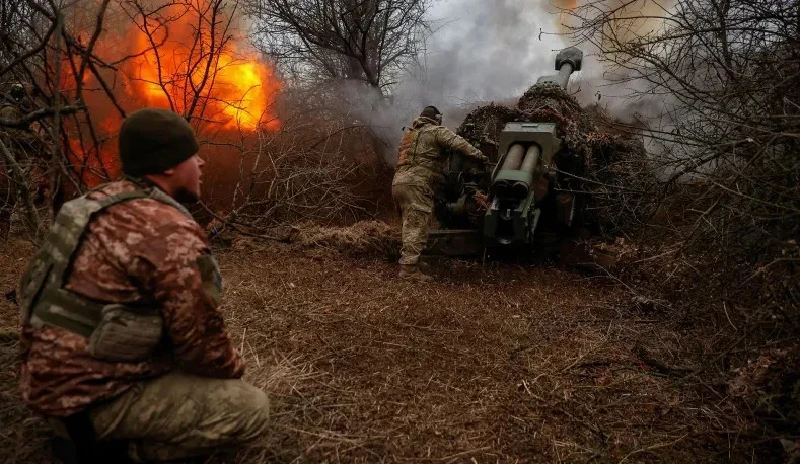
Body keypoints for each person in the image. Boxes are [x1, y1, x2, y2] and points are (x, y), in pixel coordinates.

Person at [17, 107, 270, 463]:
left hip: (43, 381)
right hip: (90, 400)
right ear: (167, 165)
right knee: (249, 407)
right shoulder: (166, 230)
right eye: (191, 155)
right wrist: (233, 375)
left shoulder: (89, 203)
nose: (201, 163)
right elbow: (203, 345)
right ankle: (113, 449)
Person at [392, 105, 489, 281]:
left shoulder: (409, 134)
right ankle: (408, 271)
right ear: (436, 119)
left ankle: (414, 261)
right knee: (417, 225)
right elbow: (459, 144)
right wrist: (480, 155)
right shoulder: (436, 131)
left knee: (410, 224)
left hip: (398, 182)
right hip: (418, 183)